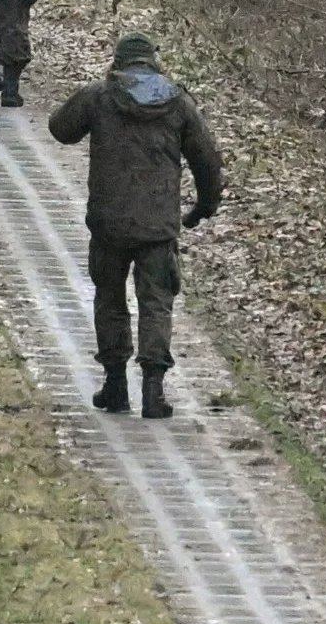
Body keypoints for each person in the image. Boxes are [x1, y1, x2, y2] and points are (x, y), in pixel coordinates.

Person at [47, 32, 224, 419]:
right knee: (156, 304)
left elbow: (60, 129)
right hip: (158, 226)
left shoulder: (100, 97)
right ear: (153, 62)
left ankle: (114, 385)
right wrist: (203, 208)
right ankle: (153, 392)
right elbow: (208, 163)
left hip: (109, 223)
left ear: (119, 62)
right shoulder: (179, 104)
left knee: (109, 300)